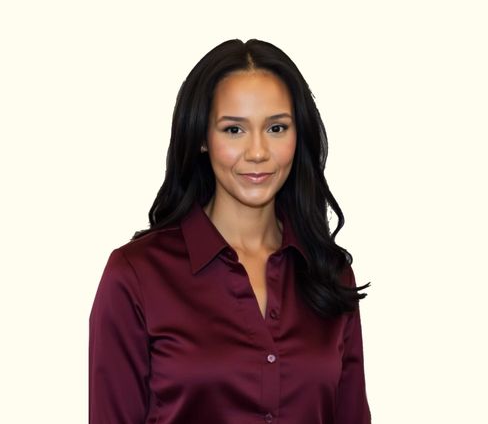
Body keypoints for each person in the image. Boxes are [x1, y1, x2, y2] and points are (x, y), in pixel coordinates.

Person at [89, 38, 372, 423]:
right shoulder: (136, 276)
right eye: (234, 130)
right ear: (202, 138)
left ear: (298, 135)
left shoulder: (330, 273)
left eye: (276, 127)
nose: (257, 152)